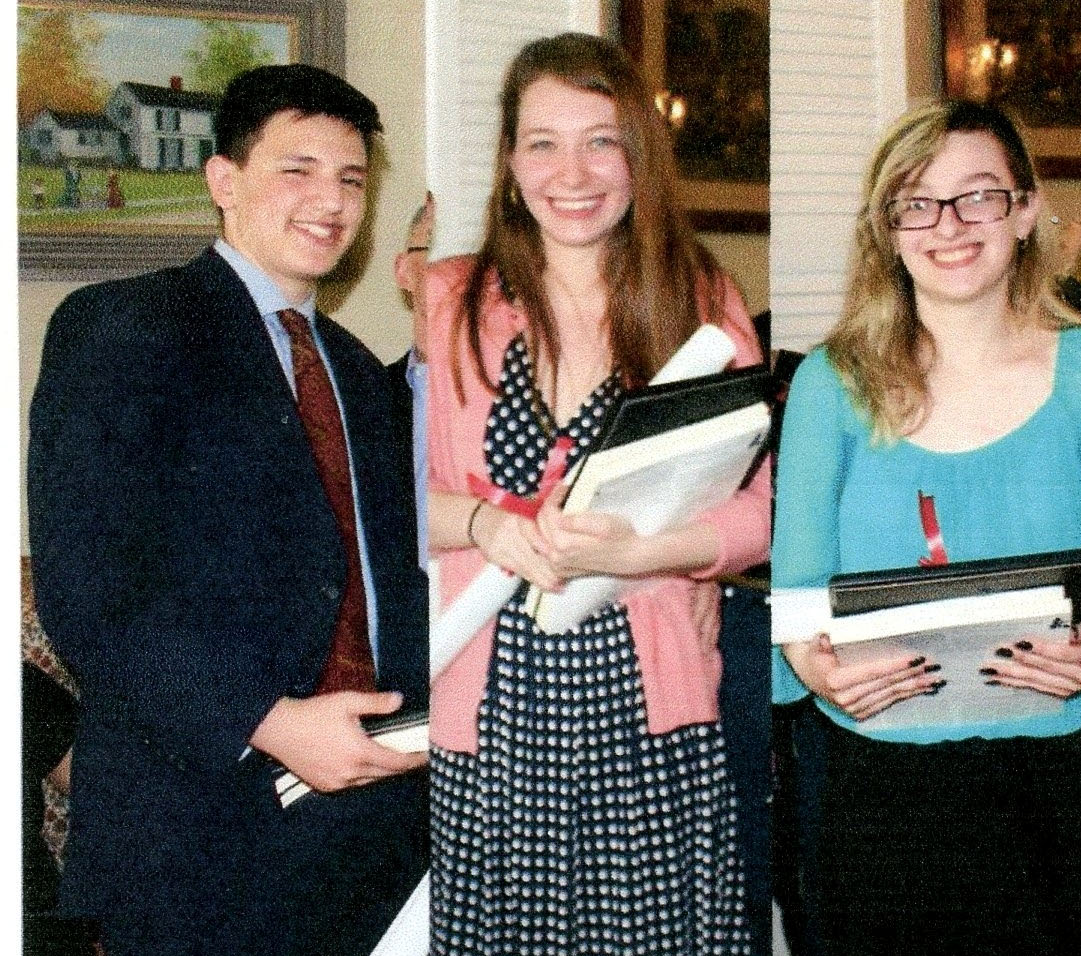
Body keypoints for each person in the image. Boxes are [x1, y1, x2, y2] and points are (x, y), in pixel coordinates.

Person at [27, 64, 428, 956]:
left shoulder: (362, 376)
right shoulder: (121, 331)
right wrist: (271, 723)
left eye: (351, 179)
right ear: (223, 181)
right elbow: (89, 592)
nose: (330, 199)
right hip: (194, 841)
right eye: (298, 169)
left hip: (370, 838)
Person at [423, 33, 769, 954]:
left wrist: (640, 555)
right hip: (493, 707)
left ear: (638, 158)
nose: (571, 172)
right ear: (507, 160)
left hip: (650, 701)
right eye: (542, 142)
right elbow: (391, 498)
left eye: (601, 141)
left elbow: (754, 512)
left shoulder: (700, 299)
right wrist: (488, 526)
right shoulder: (449, 299)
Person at [771, 100, 1081, 956]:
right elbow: (795, 599)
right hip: (877, 782)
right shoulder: (833, 382)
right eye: (917, 201)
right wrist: (817, 670)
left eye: (978, 196)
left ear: (1025, 208)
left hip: (1054, 779)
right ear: (887, 228)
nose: (948, 225)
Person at [387, 193, 435, 558]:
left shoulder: (537, 395)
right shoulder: (362, 398)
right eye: (434, 249)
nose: (453, 267)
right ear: (403, 271)